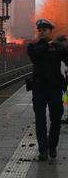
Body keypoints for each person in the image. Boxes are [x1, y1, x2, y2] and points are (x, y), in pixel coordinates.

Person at [27, 18, 67, 161]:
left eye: (45, 30)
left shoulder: (58, 48)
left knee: (56, 119)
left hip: (55, 89)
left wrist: (65, 45)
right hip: (39, 89)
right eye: (40, 30)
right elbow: (35, 55)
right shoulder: (33, 47)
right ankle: (43, 150)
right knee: (40, 120)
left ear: (51, 31)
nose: (41, 32)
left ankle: (52, 146)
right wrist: (51, 43)